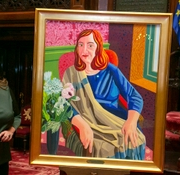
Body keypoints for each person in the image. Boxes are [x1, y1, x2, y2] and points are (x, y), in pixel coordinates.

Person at [62, 29, 146, 160]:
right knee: (103, 147)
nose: (84, 50)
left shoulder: (111, 70)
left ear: (98, 48)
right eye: (80, 45)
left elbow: (134, 96)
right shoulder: (71, 73)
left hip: (114, 118)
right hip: (87, 121)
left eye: (90, 45)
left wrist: (131, 121)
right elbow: (65, 104)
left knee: (136, 139)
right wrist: (82, 125)